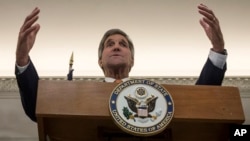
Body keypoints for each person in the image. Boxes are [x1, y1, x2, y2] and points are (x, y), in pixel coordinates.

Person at [15, 3, 227, 122]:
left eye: (122, 44)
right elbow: (37, 108)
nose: (116, 46)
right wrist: (22, 58)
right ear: (100, 60)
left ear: (132, 59)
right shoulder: (78, 97)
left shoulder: (159, 98)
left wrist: (217, 50)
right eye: (110, 44)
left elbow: (202, 103)